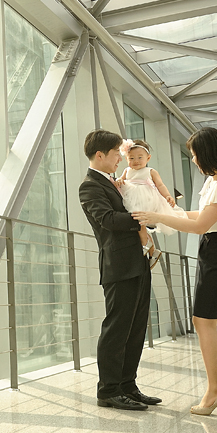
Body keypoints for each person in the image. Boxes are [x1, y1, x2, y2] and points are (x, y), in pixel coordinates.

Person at [133, 127, 217, 416]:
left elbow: (201, 225)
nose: (192, 160)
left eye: (194, 155)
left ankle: (215, 390)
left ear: (207, 154)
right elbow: (203, 216)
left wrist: (158, 217)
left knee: (203, 320)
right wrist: (166, 216)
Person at [79, 129, 162, 411]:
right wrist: (144, 219)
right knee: (117, 328)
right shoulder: (89, 186)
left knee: (136, 328)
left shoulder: (115, 182)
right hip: (118, 265)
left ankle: (128, 386)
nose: (121, 158)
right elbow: (108, 219)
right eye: (117, 153)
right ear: (100, 155)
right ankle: (109, 390)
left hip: (138, 261)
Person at [117, 138, 188, 241]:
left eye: (140, 157)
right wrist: (119, 180)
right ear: (126, 159)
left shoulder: (150, 171)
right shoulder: (127, 170)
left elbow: (160, 185)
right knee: (134, 217)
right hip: (130, 196)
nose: (136, 161)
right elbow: (121, 179)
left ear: (148, 158)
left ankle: (145, 238)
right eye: (131, 158)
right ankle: (143, 237)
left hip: (146, 198)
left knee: (141, 217)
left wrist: (167, 195)